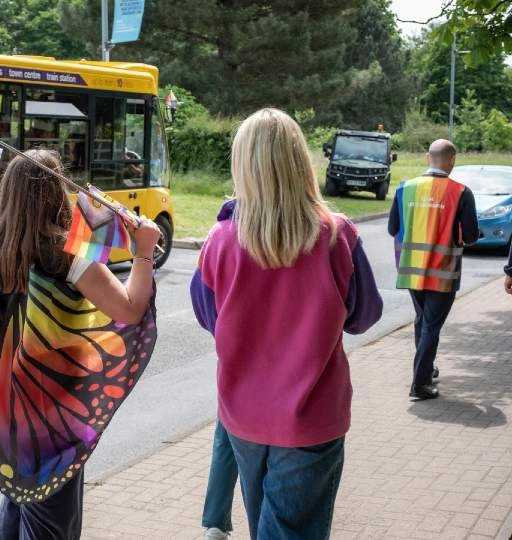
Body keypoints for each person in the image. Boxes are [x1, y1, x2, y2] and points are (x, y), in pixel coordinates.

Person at [191, 108, 383, 539]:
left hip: (242, 417)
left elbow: (209, 317)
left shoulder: (220, 240)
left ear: (243, 165)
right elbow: (364, 316)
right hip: (312, 416)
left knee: (267, 527)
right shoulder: (337, 236)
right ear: (301, 163)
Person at [0, 149, 160, 540]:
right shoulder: (68, 253)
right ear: (57, 193)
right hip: (50, 406)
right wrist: (143, 252)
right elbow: (130, 309)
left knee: (21, 491)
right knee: (48, 516)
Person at [388, 139, 478, 400]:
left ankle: (425, 369)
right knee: (431, 327)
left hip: (411, 270)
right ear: (452, 160)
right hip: (442, 273)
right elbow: (470, 236)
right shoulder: (461, 192)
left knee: (422, 321)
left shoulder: (405, 188)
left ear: (428, 157)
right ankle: (420, 384)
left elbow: (393, 229)